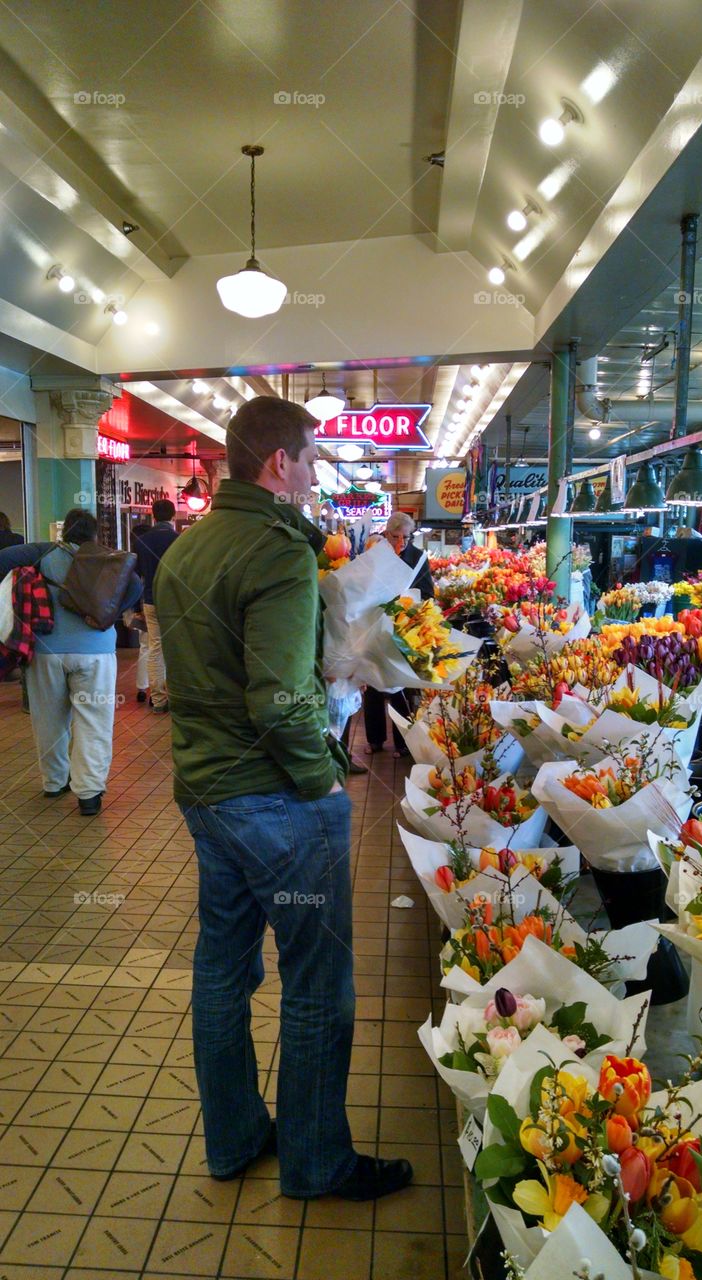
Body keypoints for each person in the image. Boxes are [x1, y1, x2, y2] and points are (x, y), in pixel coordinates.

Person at [154, 395, 413, 1202]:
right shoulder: (276, 553)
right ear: (279, 464)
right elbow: (278, 701)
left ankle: (233, 1139)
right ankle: (314, 1160)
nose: (315, 470)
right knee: (315, 980)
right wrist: (323, 782)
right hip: (275, 800)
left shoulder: (185, 554)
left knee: (223, 971)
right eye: (310, 456)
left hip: (206, 794)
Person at [0, 508, 142, 815]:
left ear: (64, 533)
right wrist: (109, 614)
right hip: (96, 652)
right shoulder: (108, 558)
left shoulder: (43, 553)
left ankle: (54, 782)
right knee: (94, 721)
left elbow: (4, 558)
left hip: (46, 649)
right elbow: (136, 586)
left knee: (48, 717)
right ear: (94, 535)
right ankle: (89, 794)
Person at [363, 511, 434, 757]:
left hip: (407, 629)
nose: (400, 543)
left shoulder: (418, 557)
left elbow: (428, 593)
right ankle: (374, 740)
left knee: (402, 683)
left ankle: (403, 742)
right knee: (373, 683)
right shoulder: (375, 554)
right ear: (386, 534)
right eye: (395, 537)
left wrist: (408, 604)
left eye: (405, 537)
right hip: (376, 626)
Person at [134, 499, 178, 713]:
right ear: (173, 515)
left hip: (150, 601)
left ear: (153, 516)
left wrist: (136, 608)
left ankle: (159, 700)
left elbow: (134, 577)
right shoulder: (179, 540)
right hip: (176, 602)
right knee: (177, 648)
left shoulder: (142, 541)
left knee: (155, 648)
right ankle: (178, 697)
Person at [122, 522, 151, 702]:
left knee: (145, 647)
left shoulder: (132, 559)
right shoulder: (151, 557)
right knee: (155, 647)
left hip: (139, 607)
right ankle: (156, 688)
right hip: (151, 604)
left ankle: (142, 687)